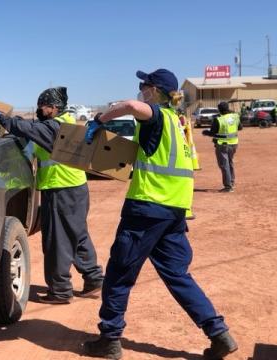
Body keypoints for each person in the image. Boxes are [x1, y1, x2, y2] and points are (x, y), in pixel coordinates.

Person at [83, 69, 238, 360]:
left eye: (144, 85)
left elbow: (130, 106)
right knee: (178, 275)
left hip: (146, 209)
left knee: (118, 274)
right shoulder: (177, 122)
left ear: (155, 91)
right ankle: (219, 334)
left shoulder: (155, 116)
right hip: (174, 211)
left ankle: (109, 338)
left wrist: (98, 120)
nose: (141, 89)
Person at [0, 87, 104, 304]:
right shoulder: (66, 123)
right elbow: (33, 129)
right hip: (75, 189)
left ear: (54, 108)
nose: (39, 110)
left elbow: (30, 128)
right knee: (77, 235)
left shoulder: (56, 127)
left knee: (58, 240)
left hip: (61, 189)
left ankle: (61, 290)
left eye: (43, 106)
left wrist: (2, 119)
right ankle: (94, 278)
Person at [202, 101, 242, 193]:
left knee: (224, 165)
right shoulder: (235, 117)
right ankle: (231, 182)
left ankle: (228, 187)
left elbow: (212, 132)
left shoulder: (219, 119)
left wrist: (205, 132)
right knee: (230, 162)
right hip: (234, 143)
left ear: (219, 110)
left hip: (222, 145)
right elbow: (240, 128)